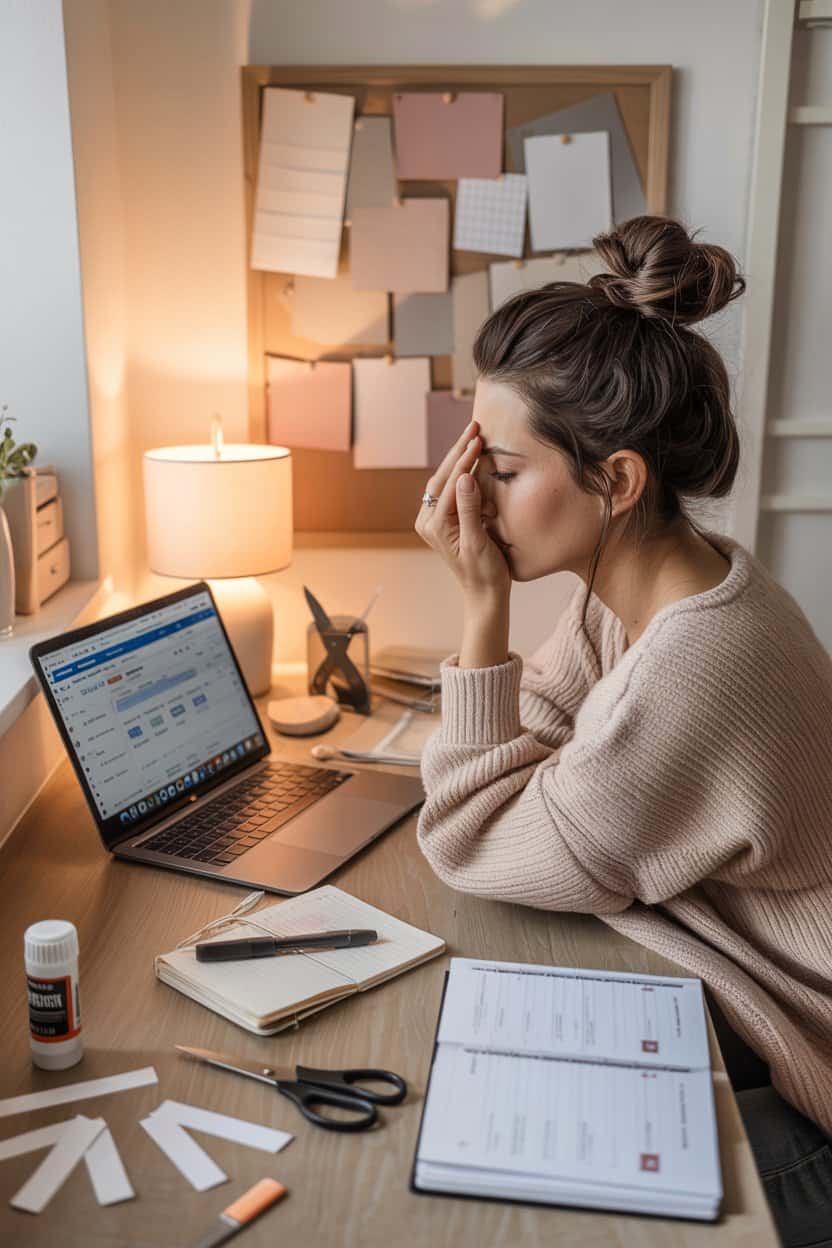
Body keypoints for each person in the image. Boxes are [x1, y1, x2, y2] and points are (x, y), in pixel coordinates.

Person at [414, 214, 832, 1247]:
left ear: (619, 481)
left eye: (501, 471)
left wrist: (478, 613)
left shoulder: (697, 655)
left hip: (806, 1089)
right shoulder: (662, 576)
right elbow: (550, 724)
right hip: (748, 1012)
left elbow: (469, 835)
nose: (470, 494)